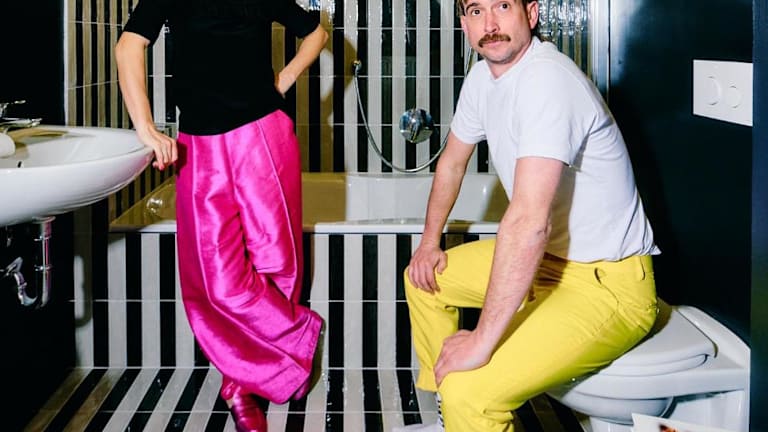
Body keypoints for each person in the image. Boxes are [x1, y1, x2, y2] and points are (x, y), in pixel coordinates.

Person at [398, 0, 660, 431]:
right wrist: (429, 244)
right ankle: (453, 416)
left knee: (472, 392)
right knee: (423, 279)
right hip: (547, 265)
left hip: (606, 287)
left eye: (503, 6)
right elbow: (452, 164)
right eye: (476, 11)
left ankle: (465, 407)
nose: (490, 23)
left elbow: (528, 222)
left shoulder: (548, 81)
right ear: (464, 23)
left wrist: (482, 341)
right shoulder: (482, 78)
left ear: (532, 14)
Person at [115, 1, 328, 431]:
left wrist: (283, 79)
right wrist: (146, 127)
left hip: (264, 133)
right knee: (215, 280)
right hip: (199, 145)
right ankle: (297, 336)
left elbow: (317, 33)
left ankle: (240, 384)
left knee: (277, 261)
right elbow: (128, 45)